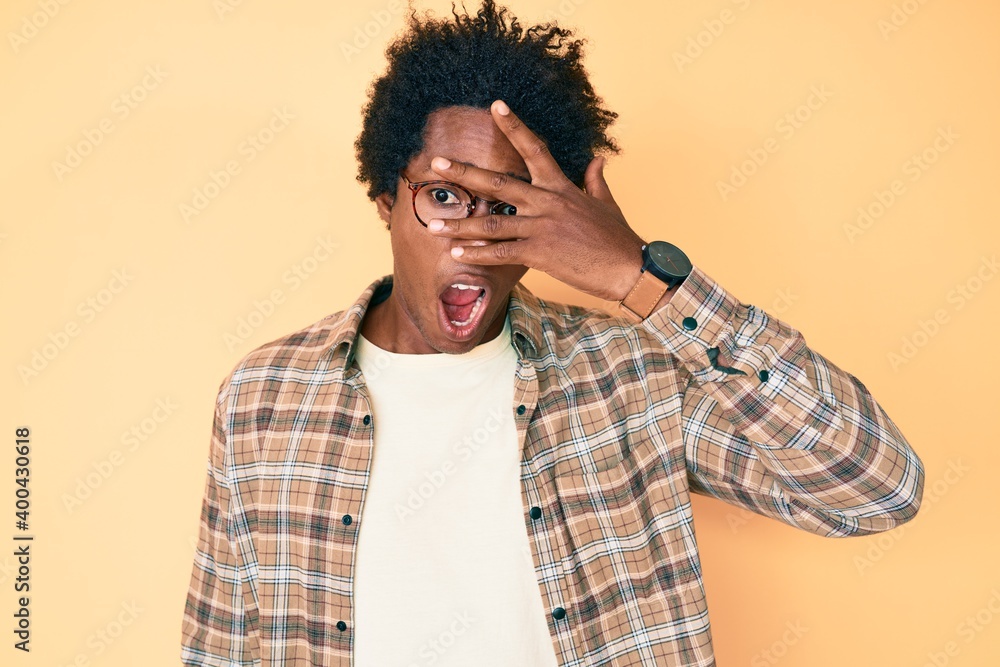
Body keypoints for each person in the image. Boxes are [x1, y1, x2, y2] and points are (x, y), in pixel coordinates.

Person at [180, 2, 925, 665]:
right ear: (385, 199)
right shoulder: (264, 399)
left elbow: (875, 489)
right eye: (443, 196)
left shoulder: (632, 377)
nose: (473, 236)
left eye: (508, 206)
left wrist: (641, 278)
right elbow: (218, 648)